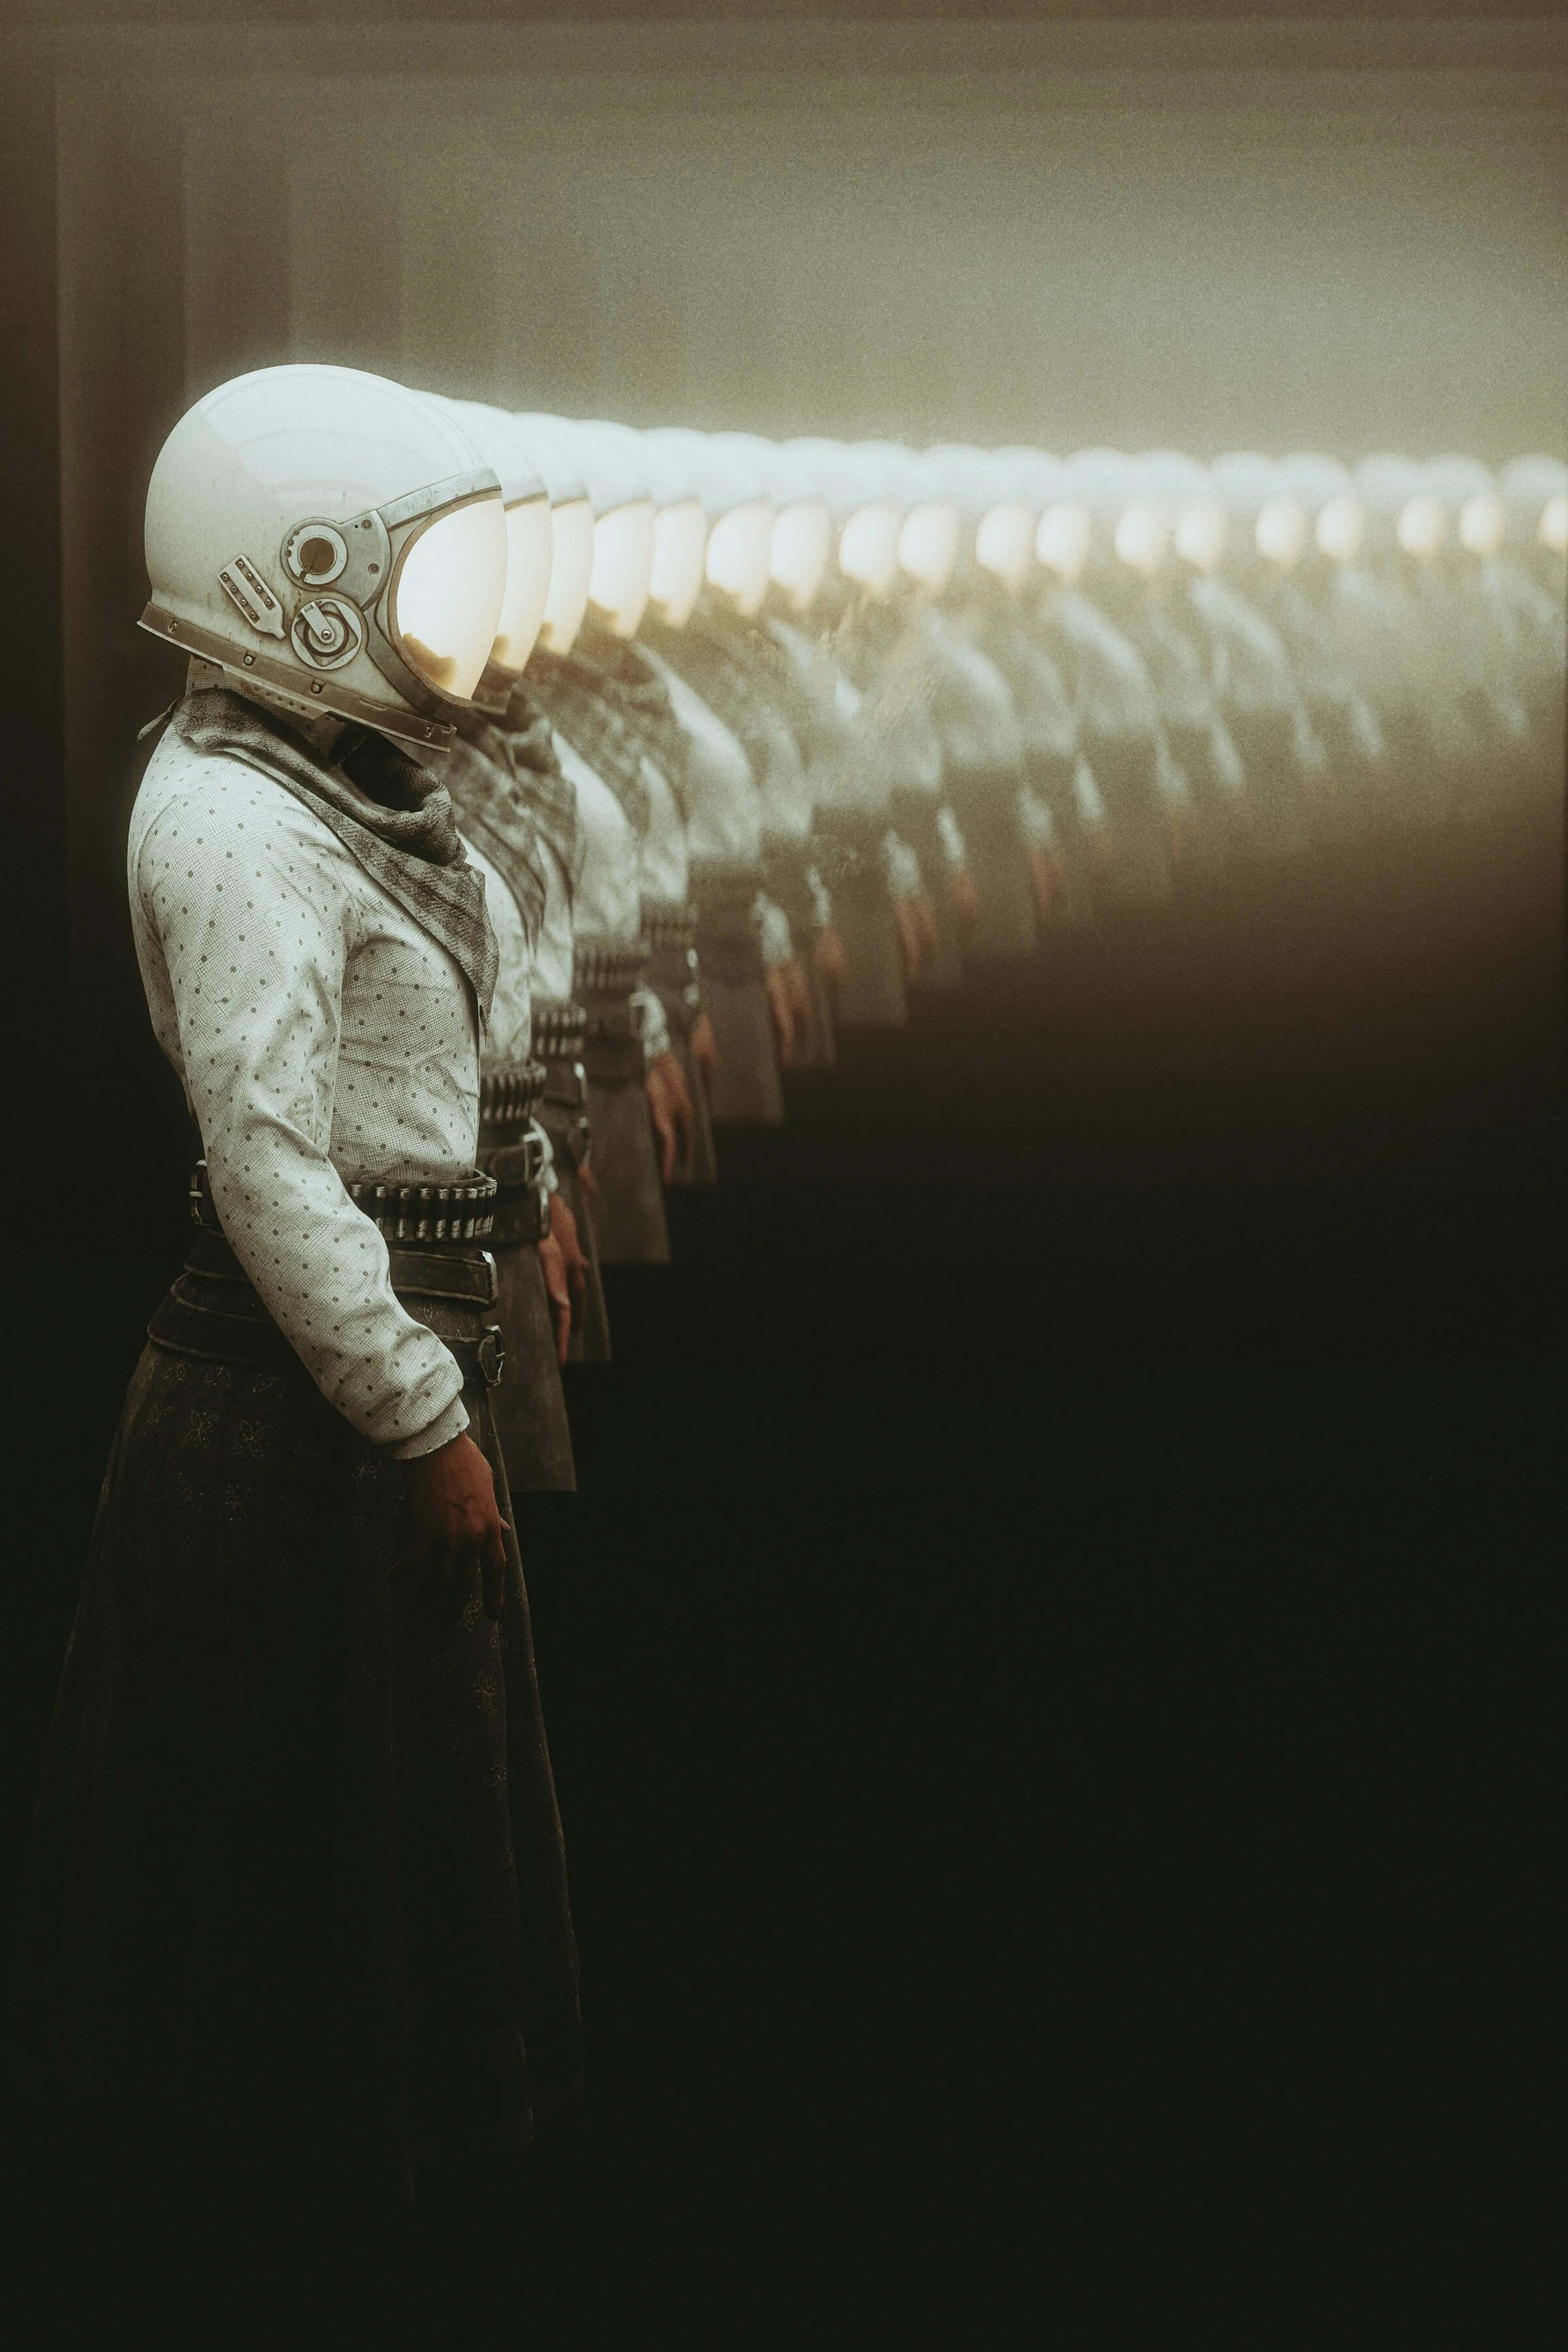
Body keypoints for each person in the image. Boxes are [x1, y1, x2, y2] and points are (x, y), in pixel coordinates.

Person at [9, 365, 581, 2229]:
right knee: (275, 1827)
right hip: (290, 1401)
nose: (465, 619)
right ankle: (285, 2210)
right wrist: (417, 1413)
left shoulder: (327, 775)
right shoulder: (237, 826)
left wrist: (508, 1204)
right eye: (423, 576)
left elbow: (410, 1074)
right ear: (302, 575)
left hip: (370, 1351)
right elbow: (269, 1165)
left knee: (357, 1806)